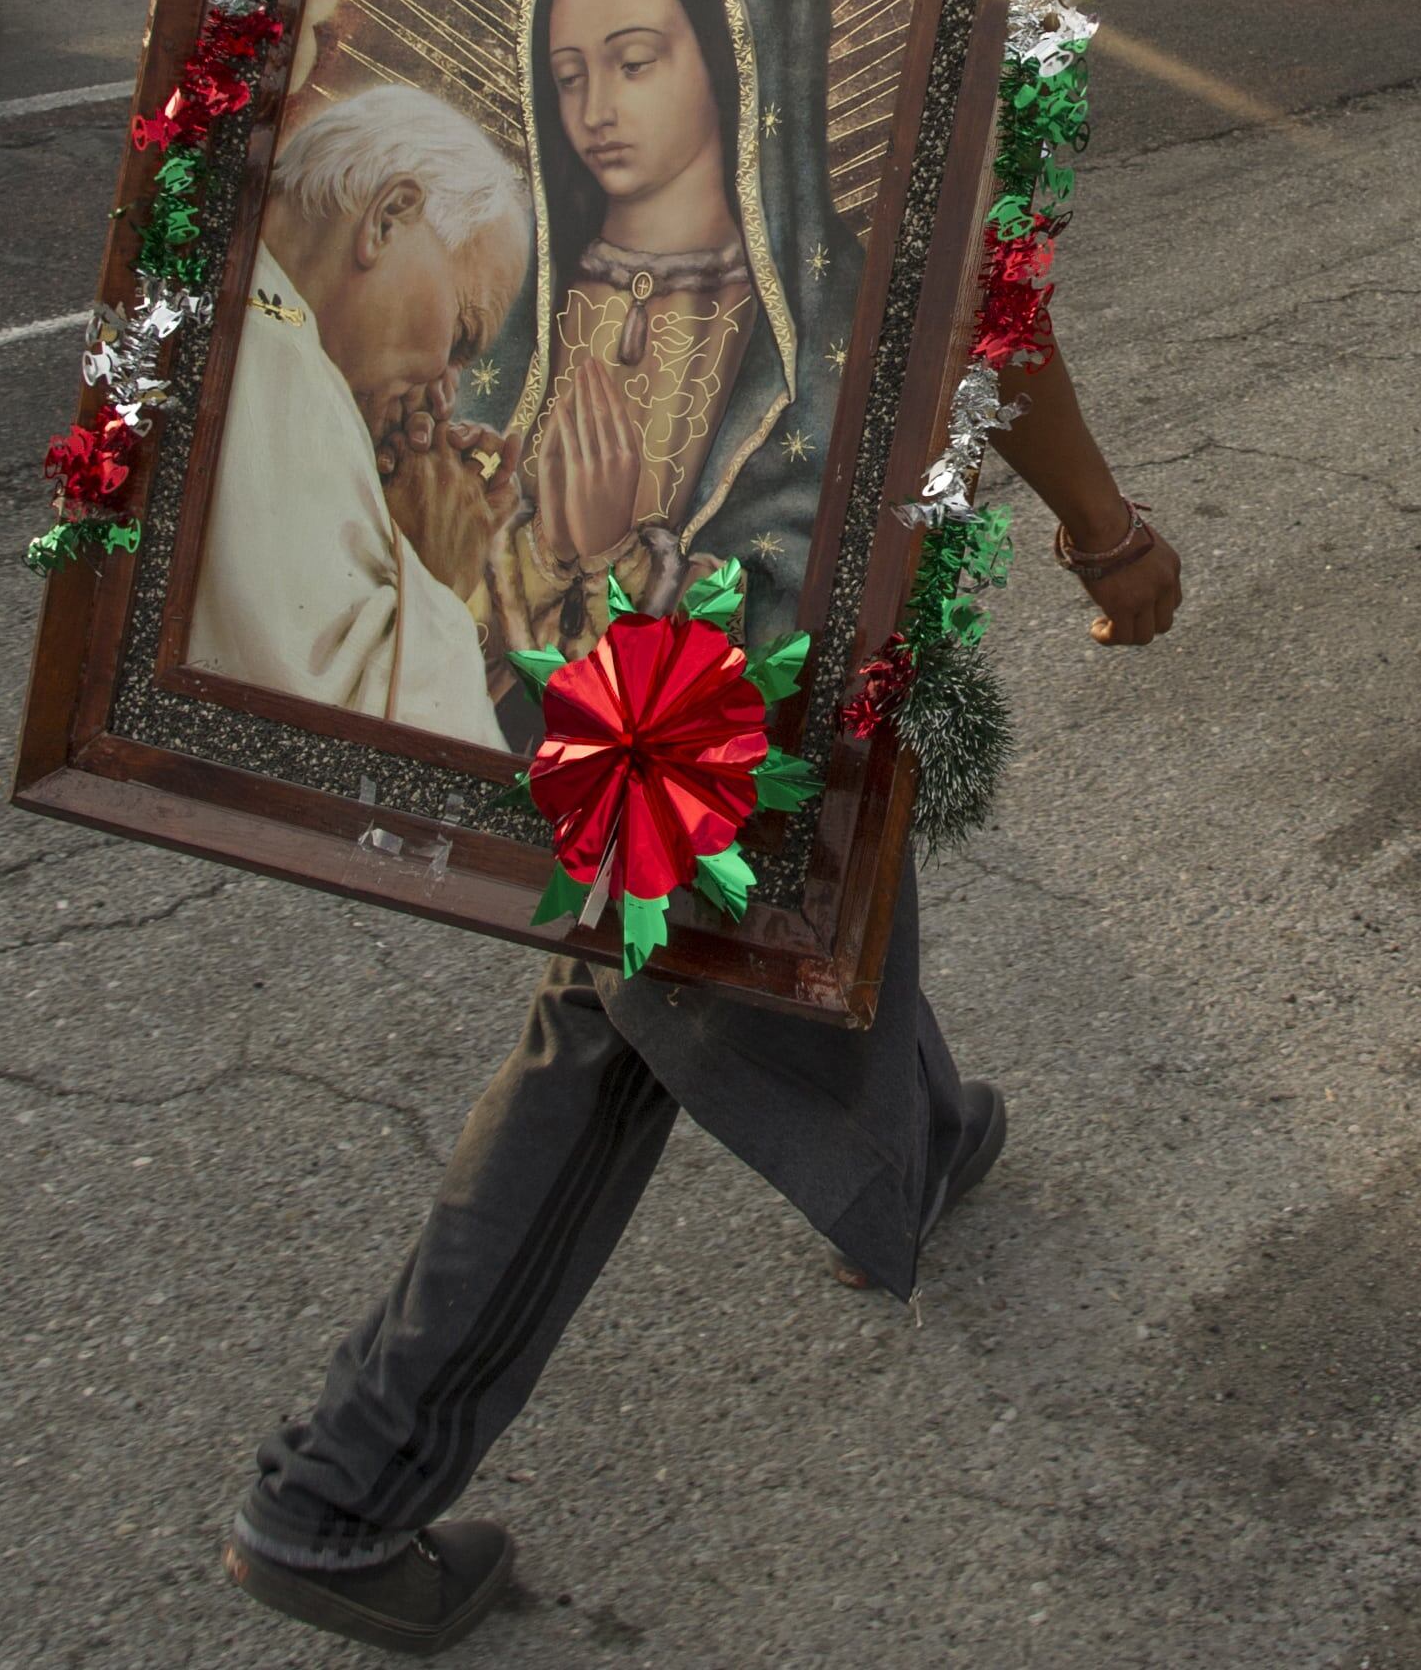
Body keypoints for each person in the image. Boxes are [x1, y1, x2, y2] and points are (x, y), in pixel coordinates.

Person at [222, 335, 1182, 1654]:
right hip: (719, 600)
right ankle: (345, 1487)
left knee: (801, 873)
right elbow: (989, 306)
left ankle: (913, 1142)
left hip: (742, 555)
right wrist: (1107, 530)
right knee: (636, 1001)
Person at [457, 0, 866, 719]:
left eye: (634, 63)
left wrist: (618, 557)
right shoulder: (508, 304)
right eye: (568, 76)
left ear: (733, 57)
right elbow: (418, 583)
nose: (596, 110)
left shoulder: (824, 317)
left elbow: (813, 607)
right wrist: (553, 552)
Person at [184, 86, 531, 749]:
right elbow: (353, 754)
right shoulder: (279, 364)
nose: (444, 394)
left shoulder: (234, 298)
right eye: (461, 337)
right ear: (388, 219)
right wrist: (435, 571)